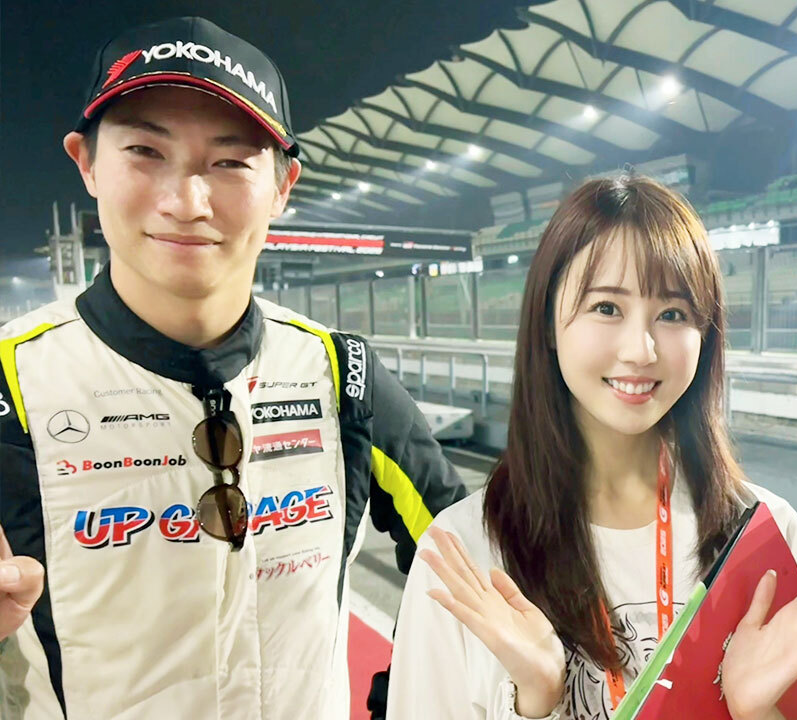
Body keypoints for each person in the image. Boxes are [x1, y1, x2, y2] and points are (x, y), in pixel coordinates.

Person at [0, 17, 466, 718]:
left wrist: (400, 700)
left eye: (230, 163)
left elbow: (474, 565)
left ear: (283, 185)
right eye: (145, 151)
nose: (187, 203)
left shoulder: (341, 373)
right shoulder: (10, 382)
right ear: (86, 163)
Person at [386, 175, 797, 720]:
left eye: (673, 314)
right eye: (606, 308)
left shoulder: (765, 538)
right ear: (547, 322)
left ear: (706, 336)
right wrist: (535, 701)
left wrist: (754, 712)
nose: (641, 350)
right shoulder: (464, 554)